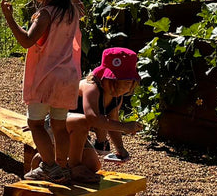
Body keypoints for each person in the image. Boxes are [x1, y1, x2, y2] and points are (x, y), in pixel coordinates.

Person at [0, 0, 83, 185]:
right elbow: (73, 1)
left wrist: (10, 18)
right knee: (59, 126)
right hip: (68, 78)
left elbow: (27, 41)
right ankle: (62, 167)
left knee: (36, 124)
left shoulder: (46, 14)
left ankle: (49, 166)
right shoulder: (73, 11)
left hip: (47, 78)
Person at [28, 47, 145, 181]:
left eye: (128, 83)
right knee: (82, 121)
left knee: (93, 166)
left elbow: (113, 120)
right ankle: (72, 166)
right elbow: (93, 118)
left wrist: (120, 149)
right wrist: (125, 127)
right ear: (104, 77)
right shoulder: (91, 87)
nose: (123, 88)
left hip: (77, 133)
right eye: (118, 82)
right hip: (56, 127)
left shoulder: (117, 96)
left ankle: (50, 160)